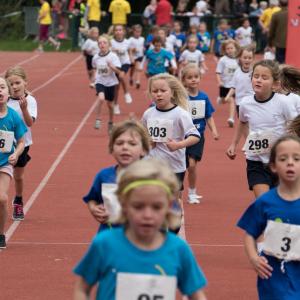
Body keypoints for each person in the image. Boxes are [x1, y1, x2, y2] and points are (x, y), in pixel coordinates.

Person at [74, 158, 208, 300]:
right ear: (124, 205)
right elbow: (82, 289)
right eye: (138, 206)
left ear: (169, 207)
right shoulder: (104, 244)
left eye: (156, 207)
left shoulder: (178, 249)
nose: (147, 215)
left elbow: (197, 295)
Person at [237, 135, 300, 300]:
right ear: (273, 166)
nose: (290, 162)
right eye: (283, 158)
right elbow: (250, 234)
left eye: (297, 158)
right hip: (273, 280)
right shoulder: (265, 203)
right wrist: (253, 258)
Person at [226, 60, 298, 198]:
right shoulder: (245, 103)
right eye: (256, 76)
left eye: (264, 78)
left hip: (279, 160)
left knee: (280, 202)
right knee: (263, 202)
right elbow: (242, 122)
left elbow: (295, 124)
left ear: (275, 84)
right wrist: (233, 144)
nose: (259, 80)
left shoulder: (283, 102)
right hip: (256, 160)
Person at [83, 119, 150, 232]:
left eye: (132, 144)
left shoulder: (152, 178)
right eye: (119, 143)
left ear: (143, 150)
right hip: (108, 238)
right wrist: (94, 209)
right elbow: (92, 199)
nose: (125, 147)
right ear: (112, 149)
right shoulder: (104, 176)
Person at [141, 73, 200, 199]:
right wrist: (147, 141)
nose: (159, 94)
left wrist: (178, 145)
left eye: (163, 91)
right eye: (155, 91)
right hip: (152, 163)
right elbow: (142, 135)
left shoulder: (180, 114)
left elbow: (195, 136)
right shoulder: (148, 114)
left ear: (172, 93)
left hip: (174, 165)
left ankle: (179, 217)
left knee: (173, 202)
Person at [181, 64, 219, 203]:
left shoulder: (204, 97)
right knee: (180, 166)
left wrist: (214, 130)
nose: (193, 80)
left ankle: (192, 192)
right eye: (189, 77)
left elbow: (208, 116)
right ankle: (176, 191)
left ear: (200, 78)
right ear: (184, 80)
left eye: (196, 77)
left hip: (197, 137)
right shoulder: (181, 97)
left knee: (191, 165)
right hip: (181, 137)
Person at [4, 66, 37, 222]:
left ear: (25, 83)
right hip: (3, 144)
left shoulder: (30, 101)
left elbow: (30, 123)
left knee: (18, 176)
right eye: (11, 84)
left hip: (22, 144)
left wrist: (24, 109)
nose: (15, 87)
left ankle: (18, 200)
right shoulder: (4, 99)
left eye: (17, 83)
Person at [0, 77, 27, 249]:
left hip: (4, 163)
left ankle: (1, 234)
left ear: (8, 93)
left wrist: (16, 154)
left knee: (2, 199)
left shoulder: (13, 116)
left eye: (2, 87)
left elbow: (22, 141)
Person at [92, 34, 122, 132]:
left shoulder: (113, 56)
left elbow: (119, 72)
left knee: (110, 105)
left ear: (109, 44)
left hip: (111, 83)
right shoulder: (95, 57)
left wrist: (112, 66)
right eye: (100, 43)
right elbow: (94, 68)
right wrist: (93, 80)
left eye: (104, 42)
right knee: (101, 98)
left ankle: (111, 122)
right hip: (100, 82)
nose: (102, 44)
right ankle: (98, 119)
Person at [225, 46, 255, 117]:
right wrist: (228, 95)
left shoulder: (254, 72)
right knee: (243, 123)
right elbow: (233, 87)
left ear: (253, 59)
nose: (247, 60)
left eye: (249, 58)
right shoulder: (237, 72)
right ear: (240, 58)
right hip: (239, 103)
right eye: (245, 58)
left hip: (252, 102)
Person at [216, 39, 239, 127]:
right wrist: (219, 81)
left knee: (232, 100)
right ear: (225, 50)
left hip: (234, 86)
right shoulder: (222, 60)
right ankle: (220, 99)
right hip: (224, 85)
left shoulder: (238, 60)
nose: (230, 50)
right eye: (227, 48)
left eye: (231, 48)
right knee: (224, 100)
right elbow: (218, 72)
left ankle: (231, 118)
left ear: (235, 48)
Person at [111, 25, 133, 115]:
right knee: (116, 86)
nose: (118, 32)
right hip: (115, 64)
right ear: (114, 32)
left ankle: (127, 93)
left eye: (120, 30)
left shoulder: (127, 42)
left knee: (122, 75)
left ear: (123, 32)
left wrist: (131, 57)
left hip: (125, 63)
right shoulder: (111, 42)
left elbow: (130, 50)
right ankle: (115, 104)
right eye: (116, 30)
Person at [128, 25, 145, 90]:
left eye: (139, 32)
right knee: (132, 69)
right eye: (136, 32)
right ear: (133, 32)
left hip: (139, 56)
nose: (138, 33)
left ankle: (138, 81)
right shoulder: (130, 39)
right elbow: (128, 49)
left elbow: (142, 46)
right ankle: (131, 77)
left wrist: (143, 49)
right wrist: (132, 50)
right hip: (132, 56)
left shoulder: (142, 39)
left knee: (138, 68)